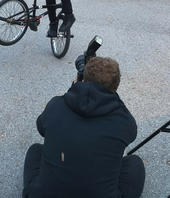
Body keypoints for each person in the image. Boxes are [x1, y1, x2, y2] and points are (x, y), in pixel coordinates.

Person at [22, 56, 145, 198]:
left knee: (35, 149)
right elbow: (131, 135)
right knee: (134, 163)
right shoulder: (124, 121)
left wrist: (73, 90)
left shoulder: (55, 105)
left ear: (83, 80)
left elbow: (41, 127)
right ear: (115, 88)